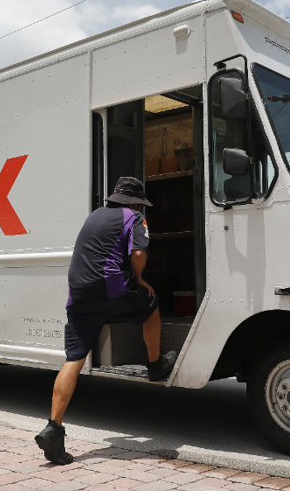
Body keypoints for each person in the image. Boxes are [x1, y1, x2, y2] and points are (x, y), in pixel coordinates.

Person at [34, 176, 177, 465]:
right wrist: (138, 279)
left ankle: (53, 427)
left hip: (79, 293)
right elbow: (138, 252)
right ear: (135, 202)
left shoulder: (94, 216)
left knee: (73, 359)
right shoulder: (134, 216)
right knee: (151, 303)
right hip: (109, 288)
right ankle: (155, 366)